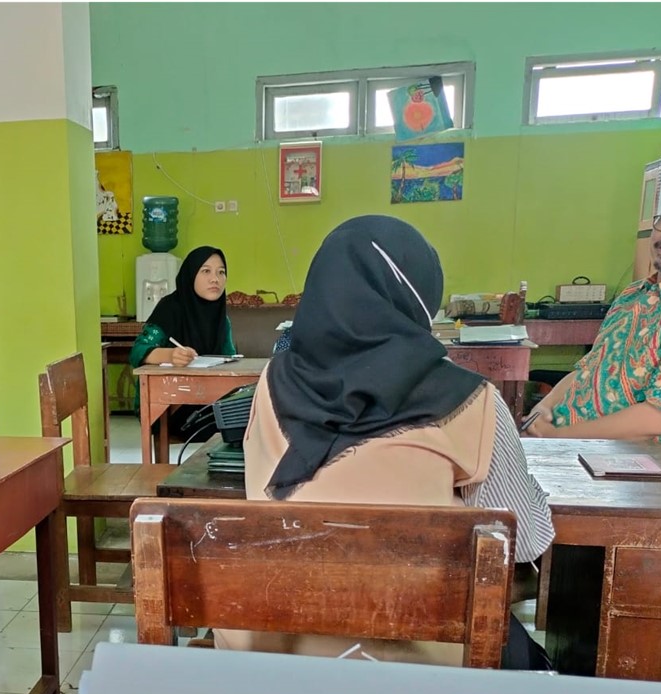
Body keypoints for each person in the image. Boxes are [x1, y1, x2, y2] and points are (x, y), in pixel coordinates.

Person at [214, 216, 554, 670]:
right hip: (419, 660)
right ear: (419, 299)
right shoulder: (473, 400)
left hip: (277, 654)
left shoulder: (271, 382)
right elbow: (526, 541)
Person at [527, 177, 661, 441]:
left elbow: (656, 419)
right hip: (560, 443)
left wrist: (557, 438)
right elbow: (587, 370)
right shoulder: (634, 294)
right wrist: (544, 407)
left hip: (626, 466)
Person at [130, 246, 235, 368]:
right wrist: (170, 355)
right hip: (168, 384)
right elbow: (137, 352)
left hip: (211, 385)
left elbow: (229, 359)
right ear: (190, 274)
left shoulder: (221, 317)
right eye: (206, 271)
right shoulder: (169, 309)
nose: (215, 279)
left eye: (221, 272)